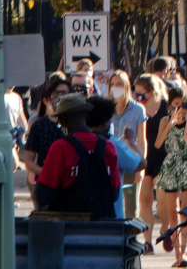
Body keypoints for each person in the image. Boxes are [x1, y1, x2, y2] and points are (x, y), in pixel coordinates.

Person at [33, 93, 120, 217]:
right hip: (103, 223)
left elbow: (44, 194)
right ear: (86, 115)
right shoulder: (108, 145)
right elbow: (115, 192)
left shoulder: (60, 147)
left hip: (69, 225)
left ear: (62, 121)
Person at [155, 88, 187, 267]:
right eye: (176, 104)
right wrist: (171, 124)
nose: (180, 108)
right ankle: (178, 256)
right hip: (171, 166)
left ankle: (184, 253)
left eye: (183, 104)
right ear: (170, 104)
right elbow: (157, 144)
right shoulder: (165, 120)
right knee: (173, 213)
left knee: (185, 212)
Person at [24, 74, 72, 207]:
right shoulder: (39, 125)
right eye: (56, 93)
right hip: (46, 186)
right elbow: (29, 160)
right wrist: (46, 172)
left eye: (64, 93)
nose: (60, 96)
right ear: (48, 98)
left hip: (72, 186)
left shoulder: (77, 124)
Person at [107, 69, 147, 221]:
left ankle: (132, 241)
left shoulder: (137, 109)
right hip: (110, 162)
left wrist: (141, 166)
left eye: (119, 84)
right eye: (112, 84)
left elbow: (142, 140)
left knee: (132, 209)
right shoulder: (106, 109)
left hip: (130, 160)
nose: (115, 87)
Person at [135, 73, 168, 252]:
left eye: (141, 93)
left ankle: (166, 228)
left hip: (164, 157)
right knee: (145, 201)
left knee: (163, 200)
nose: (138, 96)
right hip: (144, 158)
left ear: (152, 91)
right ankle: (148, 242)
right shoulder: (136, 108)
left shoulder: (166, 106)